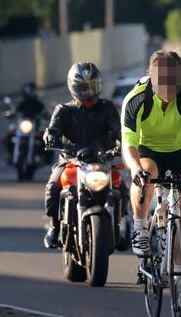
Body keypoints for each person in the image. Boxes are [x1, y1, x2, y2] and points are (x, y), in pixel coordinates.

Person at [121, 50, 181, 308]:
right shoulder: (136, 99)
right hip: (146, 151)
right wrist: (135, 170)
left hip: (178, 153)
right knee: (148, 174)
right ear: (151, 79)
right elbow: (128, 141)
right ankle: (140, 225)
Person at [42, 62, 121, 249]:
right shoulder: (64, 110)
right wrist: (50, 137)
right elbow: (52, 129)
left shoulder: (107, 108)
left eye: (91, 86)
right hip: (71, 160)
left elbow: (120, 131)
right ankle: (53, 226)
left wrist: (125, 143)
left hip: (102, 160)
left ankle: (122, 225)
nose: (87, 92)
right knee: (53, 186)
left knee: (122, 188)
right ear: (73, 88)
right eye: (83, 88)